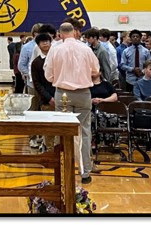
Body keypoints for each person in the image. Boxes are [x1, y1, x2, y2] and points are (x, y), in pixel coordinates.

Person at [44, 22, 100, 184]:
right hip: (83, 93)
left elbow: (48, 75)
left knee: (62, 131)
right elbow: (96, 71)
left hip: (63, 93)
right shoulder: (86, 49)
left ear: (60, 34)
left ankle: (62, 168)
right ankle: (85, 172)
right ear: (75, 33)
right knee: (83, 131)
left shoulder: (55, 49)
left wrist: (61, 79)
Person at [30, 32, 56, 153]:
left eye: (47, 41)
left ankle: (59, 150)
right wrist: (48, 98)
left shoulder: (57, 58)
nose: (45, 43)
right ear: (38, 45)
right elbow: (37, 84)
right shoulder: (36, 63)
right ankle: (49, 150)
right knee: (49, 127)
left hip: (61, 96)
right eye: (42, 42)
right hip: (46, 99)